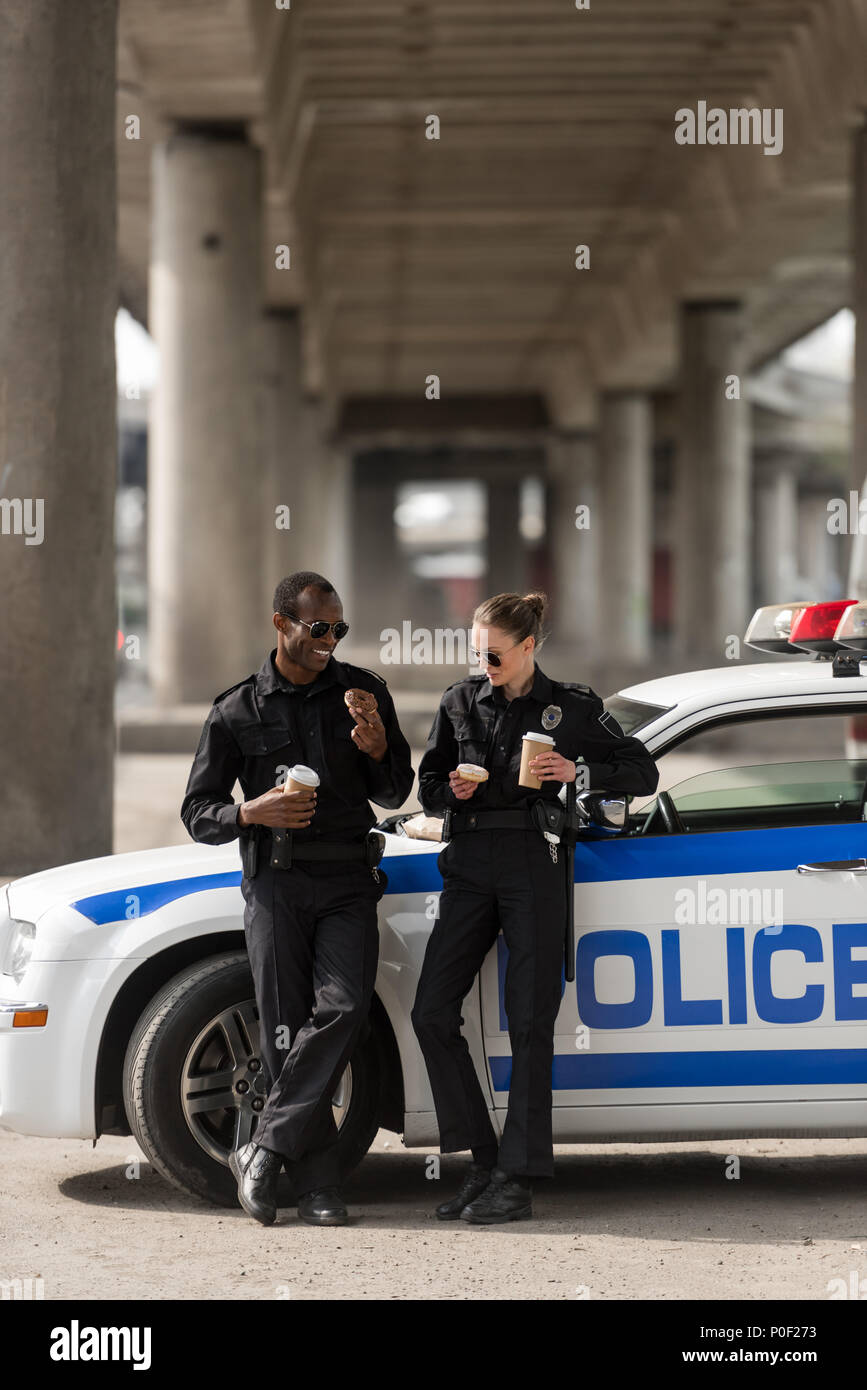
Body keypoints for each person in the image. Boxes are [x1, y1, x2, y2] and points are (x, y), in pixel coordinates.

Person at [411, 591, 658, 1224]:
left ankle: (517, 1180)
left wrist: (574, 769)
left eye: (493, 653)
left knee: (529, 1023)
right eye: (476, 652)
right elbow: (429, 783)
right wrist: (451, 789)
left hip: (534, 864)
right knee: (432, 1011)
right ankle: (484, 1158)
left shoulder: (571, 707)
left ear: (527, 647)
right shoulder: (458, 702)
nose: (482, 663)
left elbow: (640, 770)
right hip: (467, 866)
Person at [181, 571, 414, 1227]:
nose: (329, 641)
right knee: (284, 1035)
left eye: (338, 629)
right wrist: (250, 812)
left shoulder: (363, 693)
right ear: (281, 623)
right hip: (275, 885)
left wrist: (374, 747)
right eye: (318, 628)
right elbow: (197, 812)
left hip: (346, 882)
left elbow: (395, 790)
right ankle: (316, 1185)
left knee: (341, 1009)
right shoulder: (236, 709)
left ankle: (263, 1147)